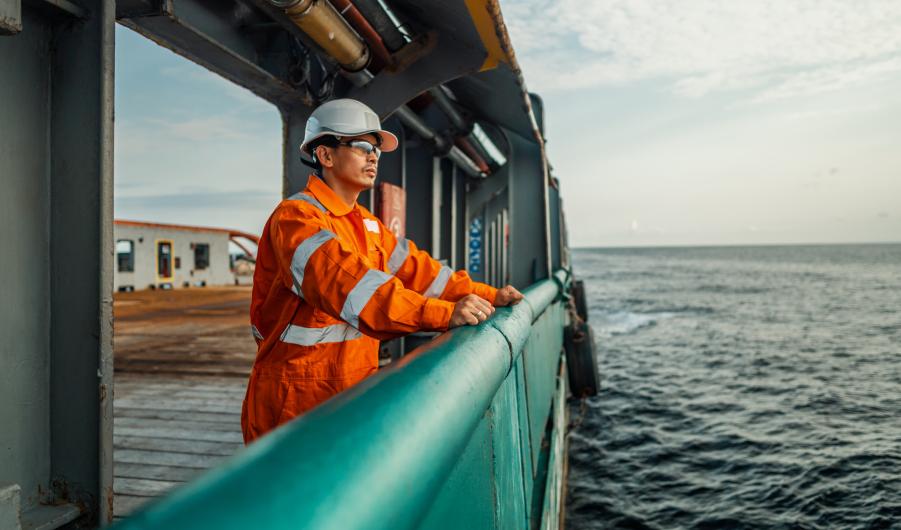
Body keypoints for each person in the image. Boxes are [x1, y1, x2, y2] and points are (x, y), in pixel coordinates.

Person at [241, 99, 523, 443]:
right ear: (325, 156)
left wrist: (489, 295)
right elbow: (356, 292)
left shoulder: (367, 225)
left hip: (351, 393)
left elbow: (425, 274)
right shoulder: (296, 220)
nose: (374, 156)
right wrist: (446, 314)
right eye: (361, 146)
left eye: (376, 148)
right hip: (295, 402)